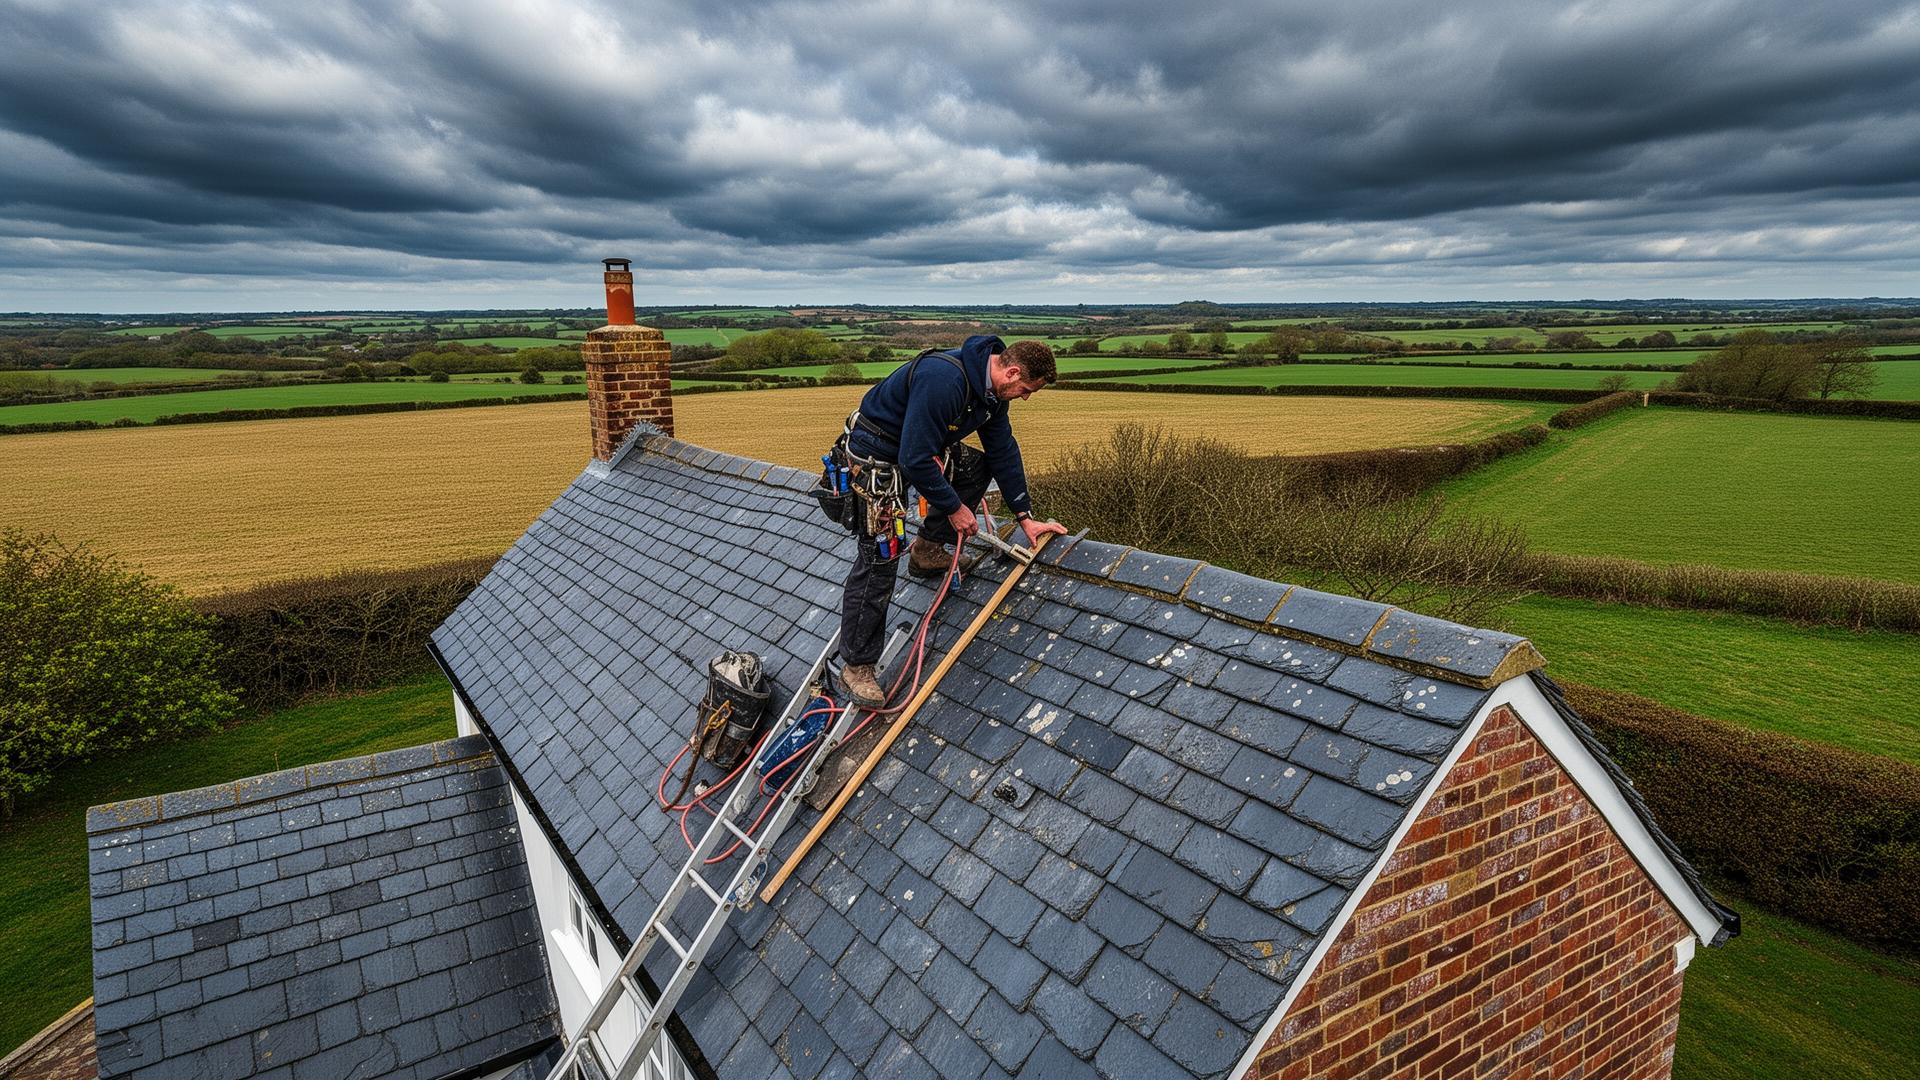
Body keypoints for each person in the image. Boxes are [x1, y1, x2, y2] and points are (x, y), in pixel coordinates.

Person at [837, 335, 1069, 705]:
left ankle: (928, 549)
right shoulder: (944, 379)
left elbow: (1003, 450)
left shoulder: (990, 395)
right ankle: (857, 667)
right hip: (877, 455)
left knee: (977, 467)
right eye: (1026, 389)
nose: (1025, 396)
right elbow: (914, 457)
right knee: (881, 553)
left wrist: (1026, 517)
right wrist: (956, 508)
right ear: (1010, 372)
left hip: (916, 448)